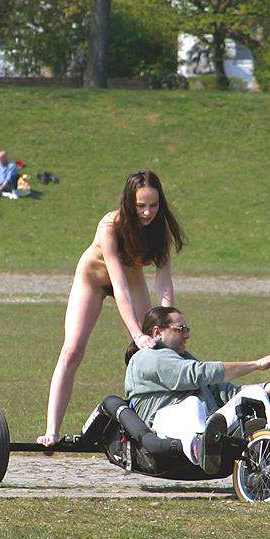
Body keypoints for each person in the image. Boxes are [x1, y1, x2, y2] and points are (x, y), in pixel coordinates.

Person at [37, 170, 186, 447]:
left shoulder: (160, 229)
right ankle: (52, 430)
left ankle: (151, 423)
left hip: (132, 280)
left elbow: (164, 283)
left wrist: (169, 328)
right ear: (128, 202)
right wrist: (137, 333)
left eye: (153, 205)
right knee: (72, 350)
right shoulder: (110, 226)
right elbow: (119, 287)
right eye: (141, 205)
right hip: (93, 281)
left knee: (151, 353)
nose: (147, 212)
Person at [124, 306, 270, 474]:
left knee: (254, 397)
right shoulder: (146, 357)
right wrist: (256, 365)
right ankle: (200, 447)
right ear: (157, 332)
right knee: (192, 404)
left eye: (187, 329)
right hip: (163, 428)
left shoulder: (183, 358)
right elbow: (195, 373)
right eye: (180, 329)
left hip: (209, 427)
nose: (187, 335)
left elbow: (228, 393)